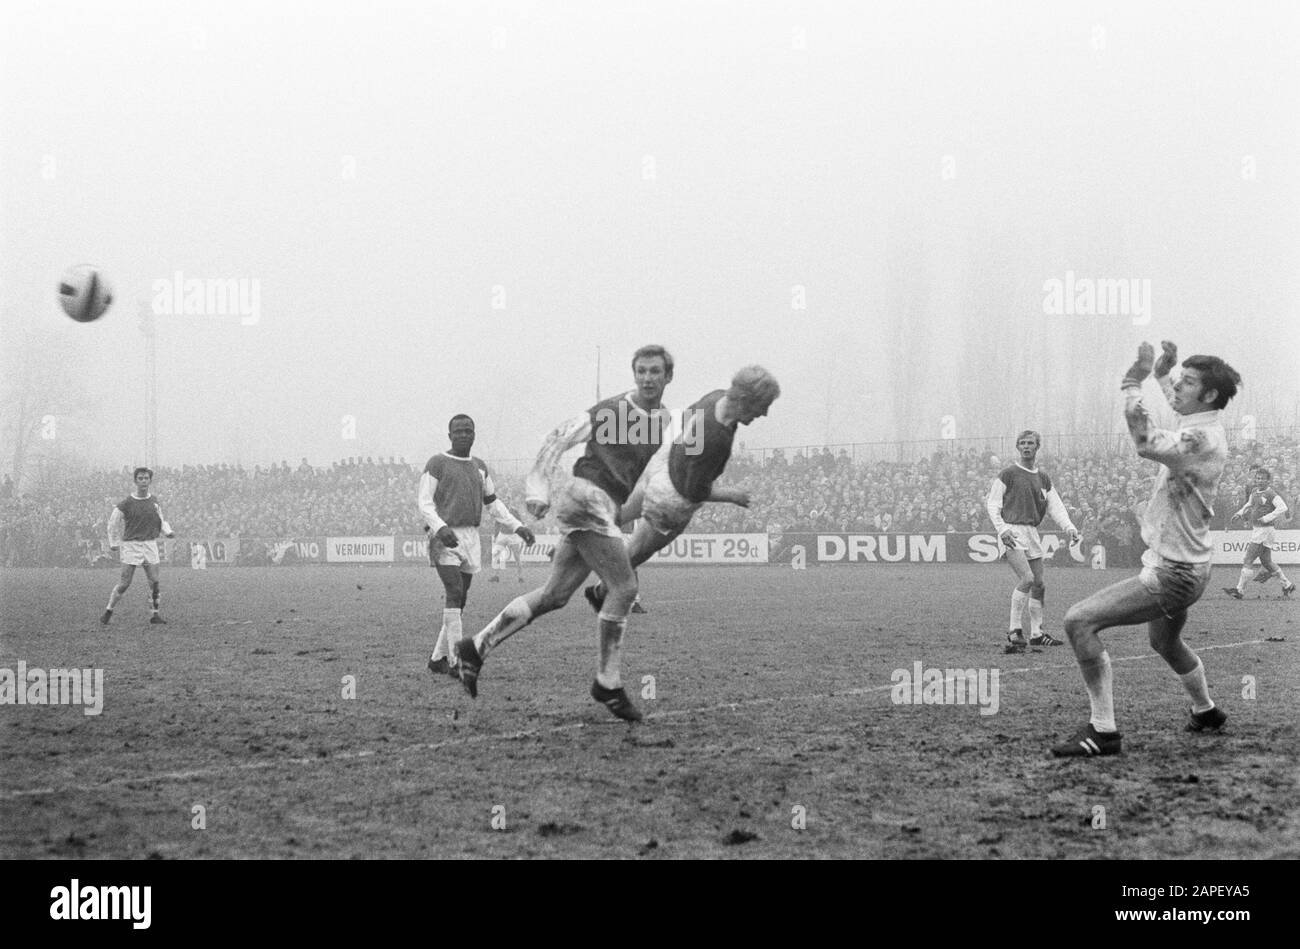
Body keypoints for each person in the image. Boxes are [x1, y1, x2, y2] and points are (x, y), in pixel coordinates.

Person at [457, 345, 674, 720]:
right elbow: (560, 436)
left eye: (655, 372)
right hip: (586, 499)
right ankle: (607, 683)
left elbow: (637, 472)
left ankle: (475, 647)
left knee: (555, 595)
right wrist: (537, 488)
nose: (647, 378)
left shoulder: (664, 419)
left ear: (668, 376)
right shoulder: (615, 410)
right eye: (641, 371)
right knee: (623, 588)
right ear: (633, 373)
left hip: (599, 507)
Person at [1052, 341, 1241, 758]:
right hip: (1191, 566)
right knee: (1166, 643)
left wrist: (1132, 383)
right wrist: (1161, 373)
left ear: (1209, 395)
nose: (1177, 387)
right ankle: (1205, 711)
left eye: (1186, 382)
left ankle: (1103, 732)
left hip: (1172, 573)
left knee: (1078, 621)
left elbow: (1145, 440)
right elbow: (1178, 410)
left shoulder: (1201, 438)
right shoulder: (1205, 426)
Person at [584, 366, 781, 610]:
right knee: (633, 553)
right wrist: (730, 495)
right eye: (763, 405)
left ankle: (574, 543)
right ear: (744, 399)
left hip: (661, 466)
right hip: (670, 497)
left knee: (615, 515)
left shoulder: (716, 396)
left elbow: (686, 418)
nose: (764, 413)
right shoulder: (715, 438)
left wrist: (680, 451)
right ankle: (599, 589)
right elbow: (693, 490)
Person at [419, 415, 534, 679]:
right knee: (454, 590)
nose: (463, 435)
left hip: (471, 536)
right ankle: (455, 661)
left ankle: (437, 658)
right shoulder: (437, 463)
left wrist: (517, 526)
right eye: (457, 431)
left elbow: (493, 503)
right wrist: (440, 528)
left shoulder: (479, 467)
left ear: (474, 434)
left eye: (467, 431)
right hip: (444, 536)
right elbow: (424, 503)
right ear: (449, 435)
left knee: (461, 598)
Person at [985, 431, 1081, 653]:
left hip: (1031, 531)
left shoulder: (1043, 477)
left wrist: (1069, 527)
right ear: (1018, 447)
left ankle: (1037, 634)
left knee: (1039, 584)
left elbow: (1055, 506)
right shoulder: (1008, 473)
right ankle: (1014, 630)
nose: (1026, 446)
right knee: (1027, 578)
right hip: (1011, 530)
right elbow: (992, 504)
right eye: (1022, 443)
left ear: (1037, 447)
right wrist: (1002, 530)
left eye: (1030, 443)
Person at [101, 467, 175, 625]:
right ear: (135, 481)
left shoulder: (153, 501)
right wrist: (113, 542)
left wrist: (167, 531)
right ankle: (108, 610)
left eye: (146, 478)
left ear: (150, 481)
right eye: (140, 478)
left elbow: (160, 519)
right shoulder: (126, 503)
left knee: (154, 582)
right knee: (125, 583)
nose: (143, 481)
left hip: (149, 544)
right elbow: (113, 523)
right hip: (131, 545)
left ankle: (155, 615)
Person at [1224, 468, 1294, 598]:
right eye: (1258, 478)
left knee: (1248, 559)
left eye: (1262, 478)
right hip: (1260, 529)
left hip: (1264, 530)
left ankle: (1239, 590)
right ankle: (1288, 585)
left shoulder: (1270, 493)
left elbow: (1283, 507)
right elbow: (1249, 504)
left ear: (1268, 480)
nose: (1259, 480)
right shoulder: (1254, 491)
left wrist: (1267, 517)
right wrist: (1239, 513)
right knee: (1267, 562)